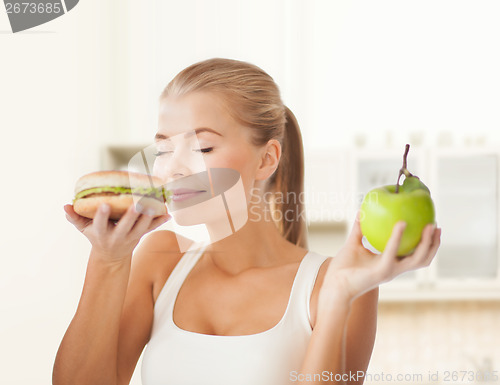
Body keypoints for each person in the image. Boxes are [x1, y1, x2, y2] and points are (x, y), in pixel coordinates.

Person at [53, 58, 441, 385]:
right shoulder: (160, 259)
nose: (172, 169)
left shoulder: (332, 283)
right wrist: (108, 260)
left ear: (267, 159)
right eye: (163, 148)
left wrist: (339, 295)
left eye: (202, 147)